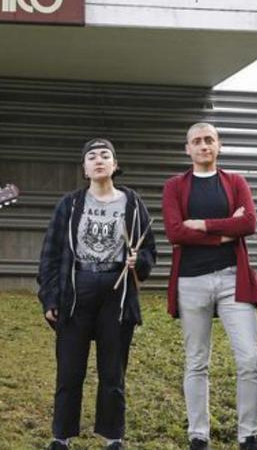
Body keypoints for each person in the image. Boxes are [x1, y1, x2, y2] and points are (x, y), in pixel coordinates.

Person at [38, 138, 157, 450]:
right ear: (85, 168)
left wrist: (138, 261)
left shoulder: (132, 203)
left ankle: (113, 436)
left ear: (115, 165)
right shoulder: (71, 204)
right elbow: (50, 254)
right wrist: (50, 298)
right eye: (92, 156)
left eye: (106, 155)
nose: (99, 160)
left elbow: (149, 250)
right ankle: (61, 436)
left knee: (113, 371)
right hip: (76, 291)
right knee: (69, 371)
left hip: (116, 296)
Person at [162, 123, 257, 450]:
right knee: (196, 360)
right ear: (187, 149)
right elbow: (175, 232)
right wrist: (224, 233)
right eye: (197, 141)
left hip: (234, 279)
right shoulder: (175, 186)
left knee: (249, 359)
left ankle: (249, 434)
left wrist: (204, 226)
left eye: (209, 140)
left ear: (218, 146)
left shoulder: (235, 182)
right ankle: (198, 435)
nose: (203, 146)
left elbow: (248, 223)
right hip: (191, 282)